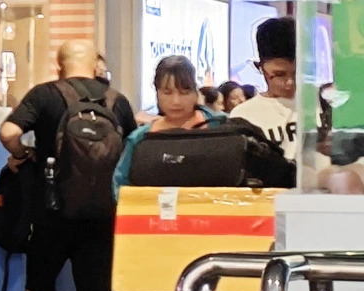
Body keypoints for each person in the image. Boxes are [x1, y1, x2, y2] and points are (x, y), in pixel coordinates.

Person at [0, 39, 137, 291]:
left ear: (60, 66)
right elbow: (132, 147)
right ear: (95, 65)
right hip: (102, 213)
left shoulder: (44, 95)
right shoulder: (116, 100)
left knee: (39, 288)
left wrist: (23, 154)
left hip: (52, 210)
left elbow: (8, 132)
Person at [113, 55, 227, 196]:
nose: (176, 101)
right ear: (157, 92)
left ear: (196, 92)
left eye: (184, 92)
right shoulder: (140, 139)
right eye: (167, 92)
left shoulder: (221, 127)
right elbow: (121, 186)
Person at [231, 17, 299, 163]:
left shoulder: (322, 105)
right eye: (279, 75)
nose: (290, 83)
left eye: (296, 73)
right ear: (259, 67)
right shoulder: (243, 115)